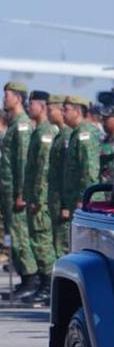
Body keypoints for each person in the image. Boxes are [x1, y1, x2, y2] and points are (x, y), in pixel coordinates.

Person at [1, 82, 37, 299]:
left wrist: (22, 192)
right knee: (12, 237)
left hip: (17, 193)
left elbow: (23, 162)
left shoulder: (22, 126)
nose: (4, 99)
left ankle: (32, 279)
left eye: (7, 95)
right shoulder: (14, 125)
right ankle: (24, 280)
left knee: (20, 236)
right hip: (8, 191)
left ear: (18, 98)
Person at [21, 91, 56, 305]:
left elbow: (43, 170)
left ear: (42, 106)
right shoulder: (37, 131)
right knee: (38, 240)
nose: (28, 106)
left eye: (31, 103)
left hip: (41, 199)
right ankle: (44, 284)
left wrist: (39, 199)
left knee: (43, 241)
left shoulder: (45, 132)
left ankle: (47, 284)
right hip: (35, 196)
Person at [61, 96, 100, 227]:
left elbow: (89, 170)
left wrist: (84, 198)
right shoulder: (76, 133)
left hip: (87, 200)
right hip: (76, 199)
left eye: (66, 109)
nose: (62, 113)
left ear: (77, 112)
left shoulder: (84, 133)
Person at [47, 95, 71, 259]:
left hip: (64, 200)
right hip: (56, 198)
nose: (48, 113)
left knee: (64, 244)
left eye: (51, 109)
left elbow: (68, 173)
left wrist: (66, 204)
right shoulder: (60, 135)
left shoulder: (68, 136)